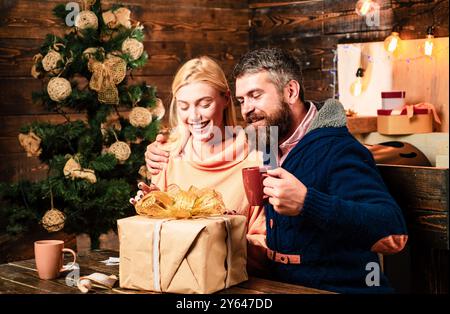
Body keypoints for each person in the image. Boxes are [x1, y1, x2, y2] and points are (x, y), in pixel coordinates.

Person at [146, 48, 408, 293]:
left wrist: (308, 202)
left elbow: (392, 234)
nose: (247, 108)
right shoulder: (267, 145)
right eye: (242, 99)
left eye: (256, 95)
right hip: (273, 287)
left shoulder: (337, 150)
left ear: (291, 91)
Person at [131, 56, 269, 276]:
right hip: (174, 280)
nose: (194, 116)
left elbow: (264, 249)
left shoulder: (257, 157)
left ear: (225, 99)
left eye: (205, 104)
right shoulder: (166, 154)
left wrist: (226, 231)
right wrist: (152, 207)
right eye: (184, 106)